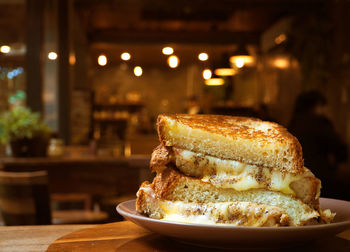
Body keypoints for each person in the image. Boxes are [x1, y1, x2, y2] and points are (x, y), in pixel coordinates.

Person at [288, 91, 347, 197]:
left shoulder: (293, 123)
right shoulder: (320, 123)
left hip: (298, 178)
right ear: (316, 106)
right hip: (322, 178)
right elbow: (340, 151)